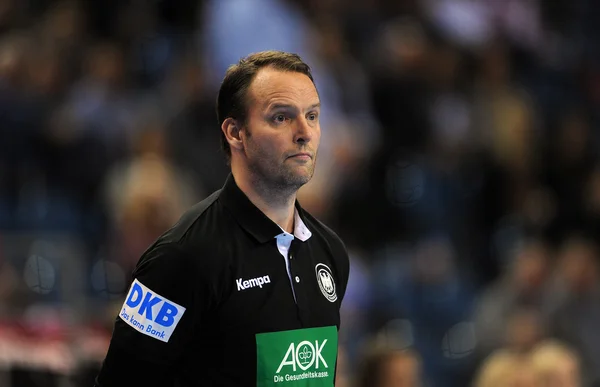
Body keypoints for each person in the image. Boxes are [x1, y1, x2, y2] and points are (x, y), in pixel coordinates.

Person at [94, 50, 350, 386]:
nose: (305, 132)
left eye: (313, 116)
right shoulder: (182, 257)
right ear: (235, 133)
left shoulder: (330, 252)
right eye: (281, 117)